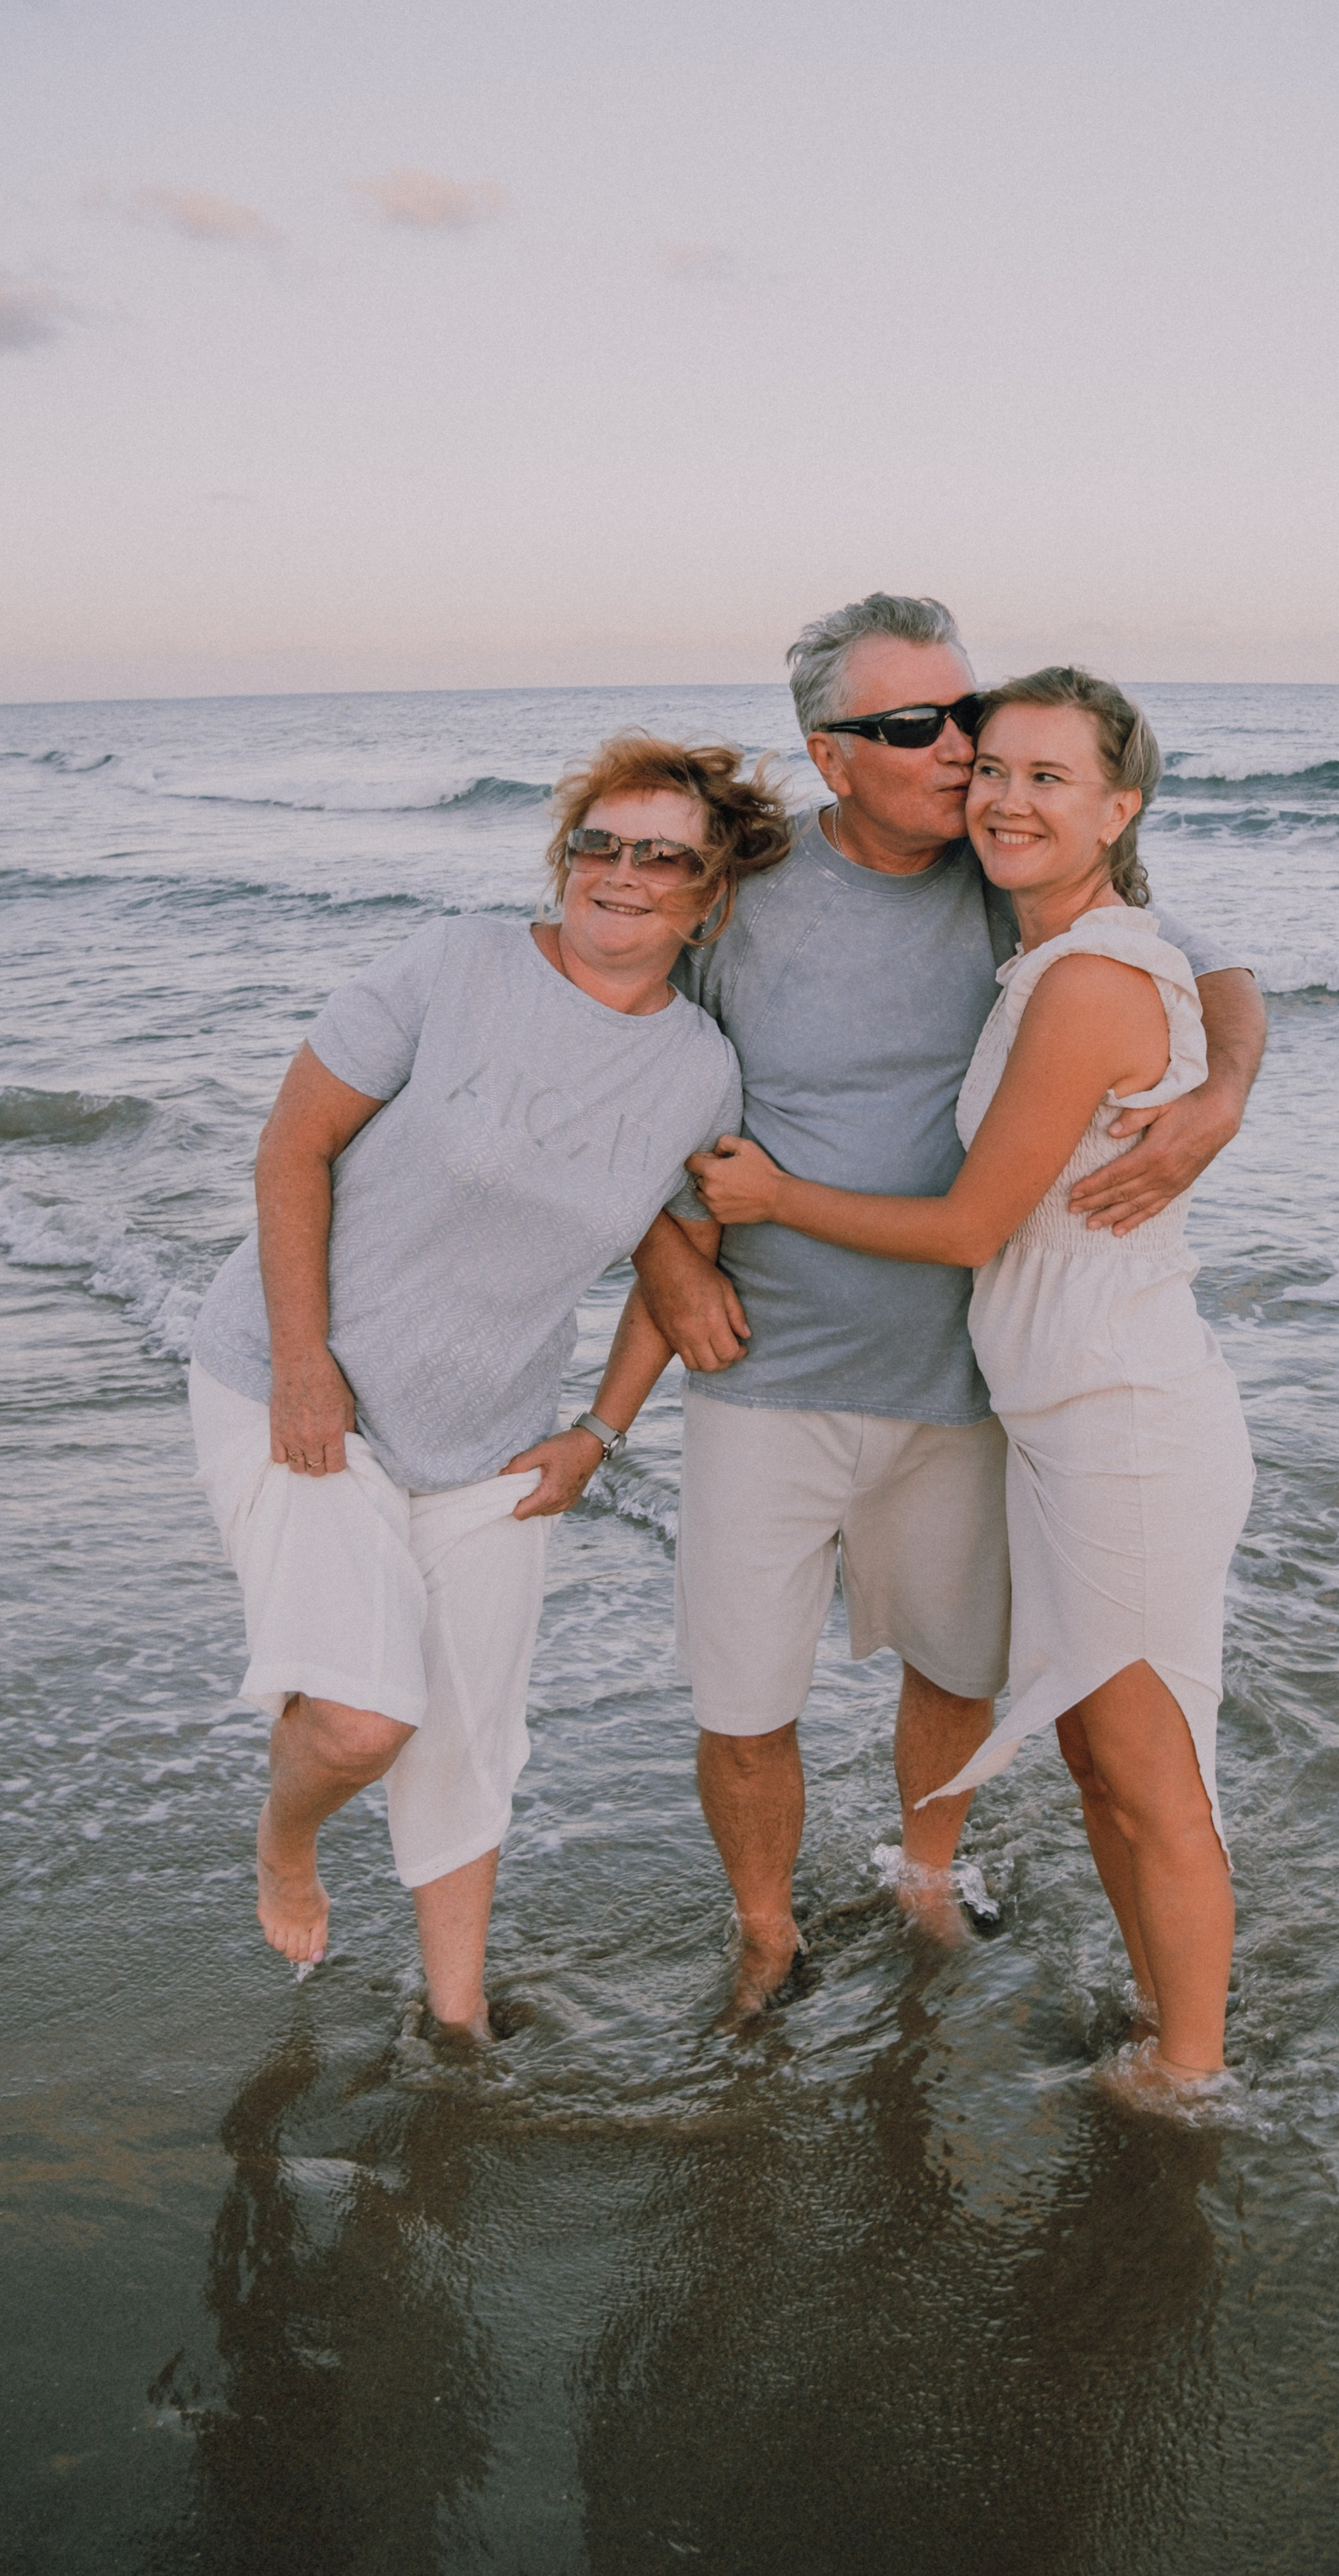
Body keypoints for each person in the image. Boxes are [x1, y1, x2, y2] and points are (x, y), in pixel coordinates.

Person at [630, 596, 1266, 2017]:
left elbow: (1209, 965)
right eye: (918, 728)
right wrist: (662, 1256)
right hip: (764, 1360)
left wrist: (1219, 1096)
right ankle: (762, 1935)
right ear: (828, 752)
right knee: (742, 1696)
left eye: (970, 720)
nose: (964, 756)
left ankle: (927, 1873)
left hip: (970, 1379)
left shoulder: (1012, 871)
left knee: (960, 1662)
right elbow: (621, 1063)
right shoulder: (738, 888)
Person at [186, 735, 788, 2037]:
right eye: (600, 844)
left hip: (493, 1434)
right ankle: (285, 1843)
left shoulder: (700, 1070)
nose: (620, 875)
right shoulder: (452, 964)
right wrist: (305, 1363)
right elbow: (293, 1147)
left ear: (710, 898)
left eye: (663, 857)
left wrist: (599, 1437)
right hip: (299, 1382)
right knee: (357, 1721)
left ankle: (456, 2020)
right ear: (566, 855)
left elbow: (679, 1272)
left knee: (467, 1737)